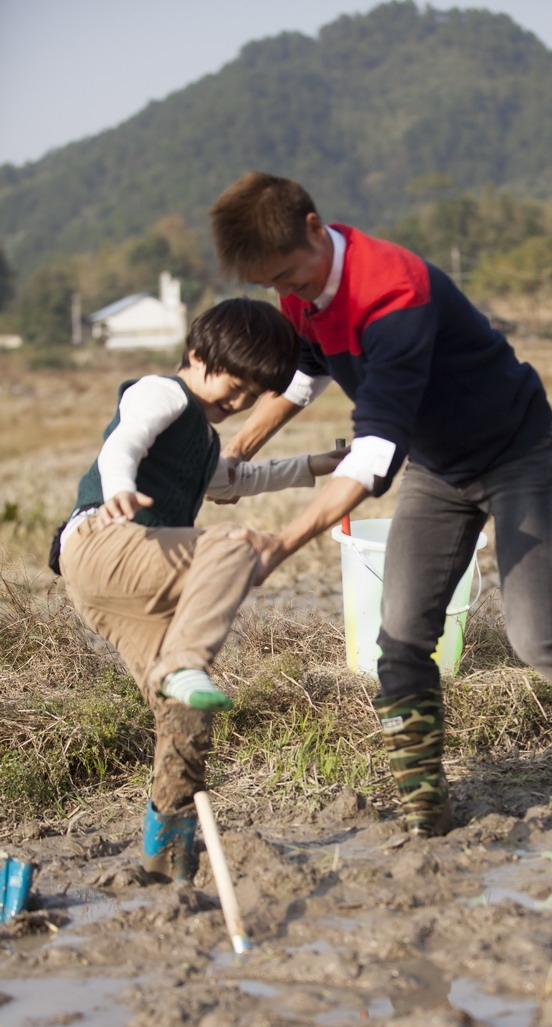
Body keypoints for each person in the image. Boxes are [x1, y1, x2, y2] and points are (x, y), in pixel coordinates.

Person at [209, 172, 552, 840]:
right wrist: (238, 450)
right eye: (270, 284)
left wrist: (282, 541)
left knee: (538, 635)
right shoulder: (301, 295)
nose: (287, 293)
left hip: (515, 452)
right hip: (440, 466)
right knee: (402, 641)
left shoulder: (392, 289)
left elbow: (375, 450)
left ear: (312, 227)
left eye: (289, 277)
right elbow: (307, 374)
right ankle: (428, 817)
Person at [55, 297, 343, 881]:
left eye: (251, 394)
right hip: (104, 541)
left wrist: (320, 463)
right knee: (235, 545)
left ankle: (167, 858)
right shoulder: (161, 394)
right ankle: (185, 660)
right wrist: (118, 490)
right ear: (197, 356)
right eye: (233, 386)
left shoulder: (207, 442)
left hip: (127, 581)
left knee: (185, 714)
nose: (237, 403)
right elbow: (125, 443)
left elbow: (242, 479)